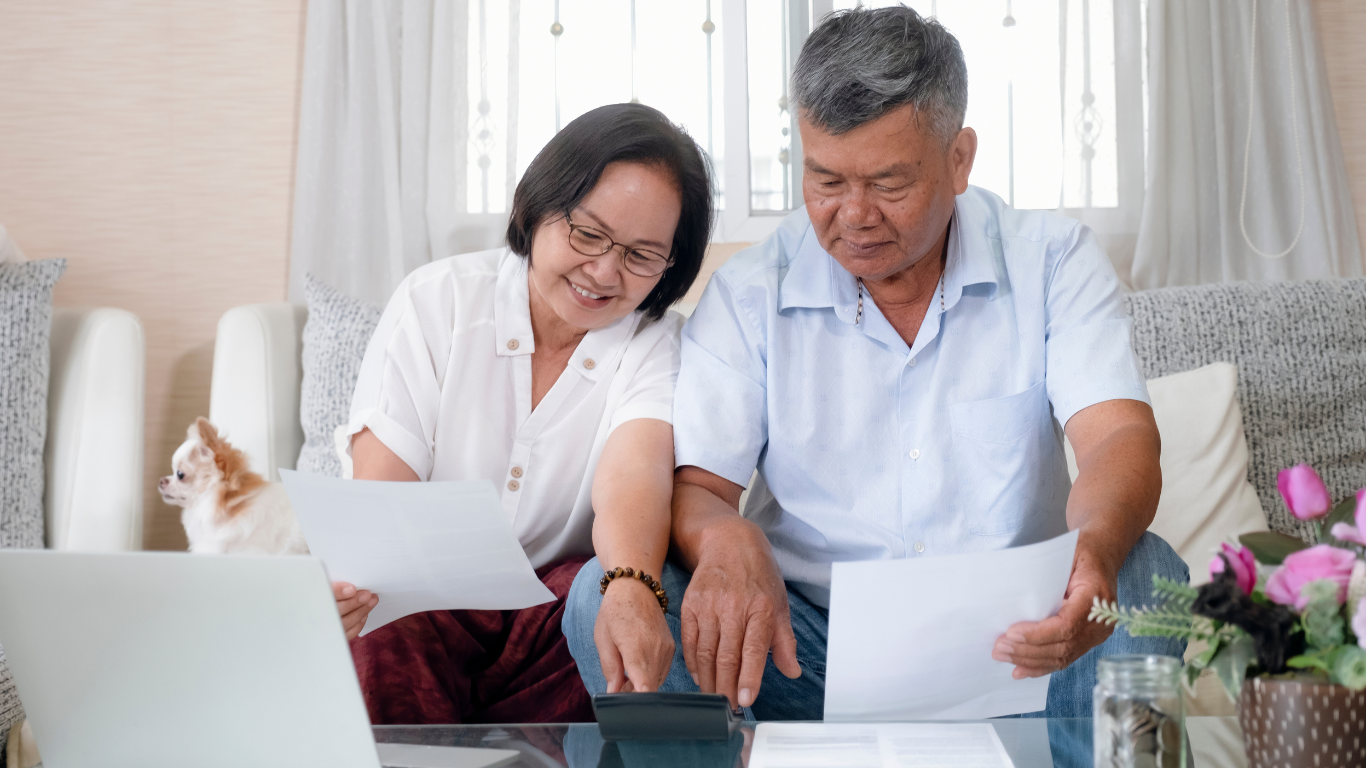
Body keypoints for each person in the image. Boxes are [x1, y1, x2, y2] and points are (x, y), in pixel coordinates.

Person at [564, 7, 1186, 719]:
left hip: (1019, 641)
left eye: (889, 184)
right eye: (826, 180)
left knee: (1145, 575)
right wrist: (726, 536)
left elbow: (1117, 439)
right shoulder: (750, 292)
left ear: (959, 159)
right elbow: (699, 489)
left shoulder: (1052, 260)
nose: (853, 216)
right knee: (601, 595)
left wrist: (1095, 552)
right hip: (804, 652)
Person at [334, 103, 712, 724]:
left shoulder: (659, 343)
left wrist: (631, 588)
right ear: (536, 207)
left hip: (548, 622)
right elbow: (383, 506)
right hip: (424, 606)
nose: (604, 272)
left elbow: (634, 476)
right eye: (588, 234)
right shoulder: (438, 302)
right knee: (378, 631)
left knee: (604, 600)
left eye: (643, 255)